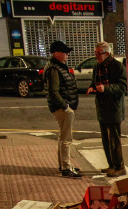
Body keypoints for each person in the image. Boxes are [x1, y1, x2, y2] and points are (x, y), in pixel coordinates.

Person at [87, 41, 127, 177]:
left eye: (99, 53)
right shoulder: (97, 66)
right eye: (96, 53)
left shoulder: (117, 66)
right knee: (105, 139)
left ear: (107, 53)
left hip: (114, 107)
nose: (96, 56)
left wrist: (106, 88)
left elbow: (122, 87)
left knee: (114, 139)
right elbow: (95, 81)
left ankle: (119, 166)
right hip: (102, 106)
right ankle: (111, 165)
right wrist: (92, 87)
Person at [44, 40, 81, 178]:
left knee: (62, 137)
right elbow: (53, 91)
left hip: (63, 106)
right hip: (63, 107)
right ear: (57, 53)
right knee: (66, 138)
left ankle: (63, 165)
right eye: (65, 52)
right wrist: (66, 107)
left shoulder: (57, 66)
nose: (67, 55)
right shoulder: (54, 68)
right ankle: (66, 167)